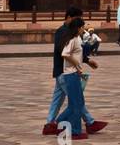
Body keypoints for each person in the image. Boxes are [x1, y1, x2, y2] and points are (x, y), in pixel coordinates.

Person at [43, 8, 106, 136]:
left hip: (63, 70)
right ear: (70, 17)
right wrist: (79, 63)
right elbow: (66, 52)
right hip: (65, 71)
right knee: (76, 101)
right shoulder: (64, 33)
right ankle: (89, 122)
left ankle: (50, 124)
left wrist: (86, 60)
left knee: (58, 99)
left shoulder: (70, 33)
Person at [54, 17, 98, 140]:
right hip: (70, 74)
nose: (83, 29)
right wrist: (77, 65)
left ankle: (60, 121)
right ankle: (74, 131)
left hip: (73, 74)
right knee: (76, 104)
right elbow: (65, 54)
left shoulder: (76, 39)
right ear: (78, 28)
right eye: (82, 27)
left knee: (77, 103)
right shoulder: (72, 39)